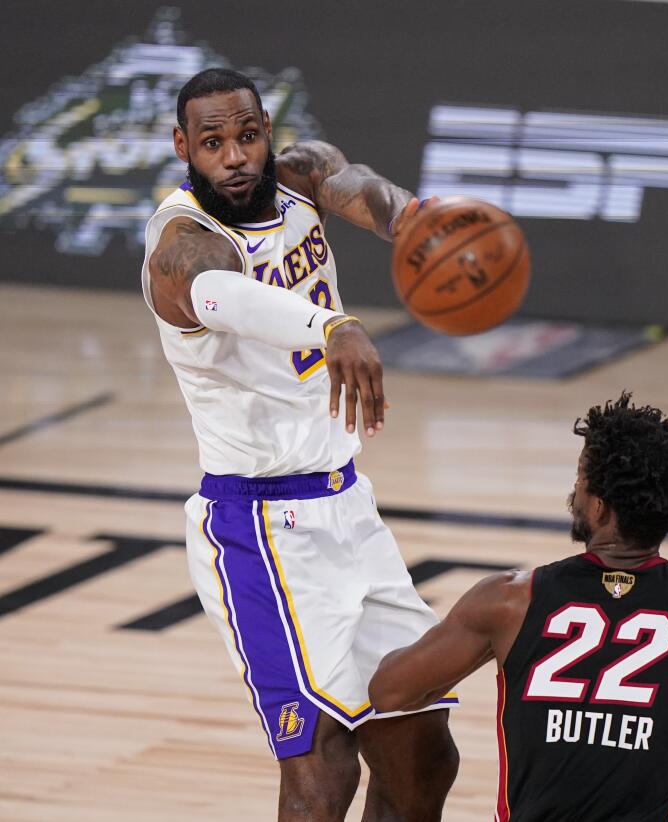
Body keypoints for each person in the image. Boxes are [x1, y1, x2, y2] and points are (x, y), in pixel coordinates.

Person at [141, 68, 457, 821]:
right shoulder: (181, 244)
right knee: (324, 772)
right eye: (213, 142)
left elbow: (360, 186)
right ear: (184, 146)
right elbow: (229, 297)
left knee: (421, 750)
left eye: (248, 135)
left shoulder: (301, 176)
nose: (236, 156)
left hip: (348, 507)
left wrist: (414, 220)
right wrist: (333, 326)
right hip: (257, 527)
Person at [368, 393, 668, 822]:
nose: (575, 490)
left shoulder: (509, 599)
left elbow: (389, 691)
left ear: (598, 507)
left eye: (580, 478)